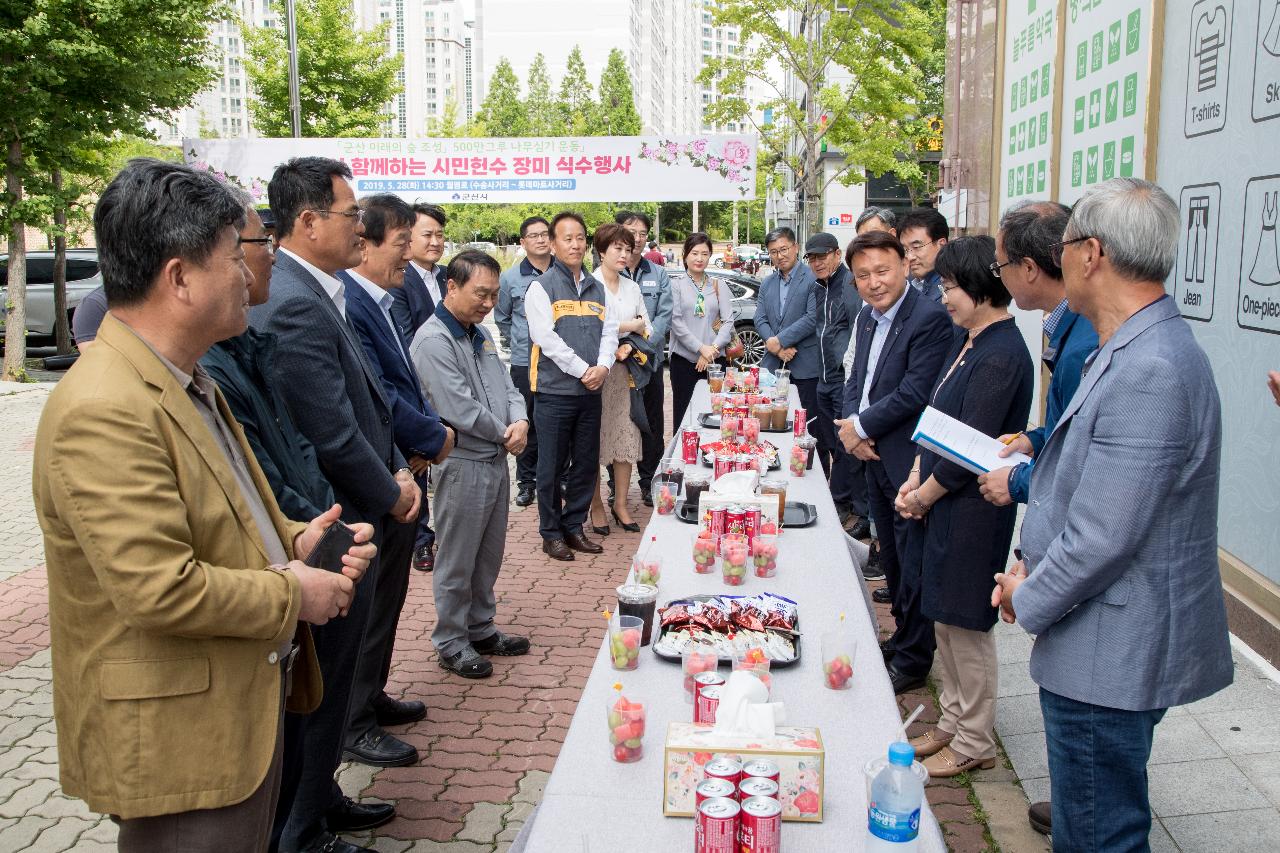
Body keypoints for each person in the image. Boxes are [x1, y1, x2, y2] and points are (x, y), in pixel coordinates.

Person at [34, 158, 375, 853]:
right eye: (233, 257)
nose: (251, 274)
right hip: (180, 742)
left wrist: (294, 538)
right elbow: (159, 588)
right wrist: (294, 593)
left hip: (230, 714)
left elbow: (224, 510)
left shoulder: (183, 377)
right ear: (179, 277)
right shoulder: (105, 406)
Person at [991, 179, 1233, 852]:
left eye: (1064, 247)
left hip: (1111, 650)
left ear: (1091, 253)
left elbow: (1104, 535)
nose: (1055, 260)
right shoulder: (1127, 345)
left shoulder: (1150, 364)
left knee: (1099, 835)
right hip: (1102, 639)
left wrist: (1028, 593)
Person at [252, 157, 422, 853]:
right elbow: (329, 428)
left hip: (360, 508)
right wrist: (390, 489)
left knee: (337, 675)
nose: (362, 226)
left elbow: (363, 402)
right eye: (352, 214)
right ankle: (302, 829)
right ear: (308, 221)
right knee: (318, 690)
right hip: (332, 522)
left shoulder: (317, 288)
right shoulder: (291, 297)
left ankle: (321, 796)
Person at [892, 237, 1032, 778]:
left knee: (967, 625)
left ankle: (975, 739)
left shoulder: (1001, 352)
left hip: (972, 508)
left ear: (979, 287)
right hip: (942, 501)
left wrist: (923, 493)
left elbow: (971, 444)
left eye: (950, 286)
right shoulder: (968, 340)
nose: (944, 296)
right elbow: (937, 423)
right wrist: (914, 477)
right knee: (944, 619)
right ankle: (951, 720)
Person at [339, 194, 454, 759]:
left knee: (388, 598)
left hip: (404, 469)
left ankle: (371, 692)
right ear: (366, 243)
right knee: (366, 604)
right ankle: (353, 719)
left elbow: (401, 383)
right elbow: (374, 396)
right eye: (403, 243)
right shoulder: (349, 304)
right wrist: (431, 437)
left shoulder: (383, 298)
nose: (411, 255)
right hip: (380, 476)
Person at [835, 230, 954, 695]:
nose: (874, 282)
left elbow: (915, 391)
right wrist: (850, 426)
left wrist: (860, 427)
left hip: (905, 457)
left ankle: (914, 658)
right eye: (863, 275)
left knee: (912, 560)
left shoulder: (928, 318)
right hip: (871, 453)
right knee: (892, 558)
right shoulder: (867, 317)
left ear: (904, 265)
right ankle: (902, 638)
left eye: (882, 271)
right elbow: (856, 377)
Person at [412, 250, 532, 678]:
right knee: (457, 560)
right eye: (481, 293)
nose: (488, 303)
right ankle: (450, 640)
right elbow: (457, 408)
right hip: (462, 463)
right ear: (452, 287)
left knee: (488, 555)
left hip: (495, 459)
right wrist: (506, 432)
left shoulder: (477, 334)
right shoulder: (432, 340)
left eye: (495, 295)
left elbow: (508, 385)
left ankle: (481, 628)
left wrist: (519, 418)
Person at [977, 202, 1098, 509]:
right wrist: (1036, 439)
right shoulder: (1076, 326)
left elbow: (1080, 464)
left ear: (1029, 268)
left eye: (999, 267)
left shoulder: (1082, 349)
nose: (999, 278)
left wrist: (1016, 481)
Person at [527, 211, 619, 561]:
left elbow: (610, 331)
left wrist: (604, 366)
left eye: (580, 237)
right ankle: (551, 533)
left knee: (585, 463)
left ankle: (573, 526)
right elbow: (544, 338)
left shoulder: (597, 286)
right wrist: (585, 369)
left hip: (590, 392)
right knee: (550, 466)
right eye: (567, 238)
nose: (576, 244)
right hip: (554, 392)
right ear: (552, 243)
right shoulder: (542, 286)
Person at [390, 202, 448, 571]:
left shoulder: (444, 277)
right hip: (418, 390)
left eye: (440, 234)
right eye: (427, 234)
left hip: (448, 385)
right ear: (408, 238)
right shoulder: (399, 281)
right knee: (418, 466)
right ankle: (421, 541)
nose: (435, 241)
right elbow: (407, 344)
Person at [589, 223, 652, 535]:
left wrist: (628, 335)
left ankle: (622, 503)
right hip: (594, 374)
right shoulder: (588, 285)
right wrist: (630, 326)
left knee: (626, 437)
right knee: (592, 441)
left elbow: (648, 327)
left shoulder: (633, 287)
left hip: (626, 374)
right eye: (617, 248)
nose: (624, 254)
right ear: (601, 251)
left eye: (628, 249)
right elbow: (590, 328)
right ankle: (596, 504)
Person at [804, 232, 867, 534]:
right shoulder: (819, 288)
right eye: (812, 257)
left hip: (845, 381)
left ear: (837, 254)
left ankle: (852, 507)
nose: (817, 262)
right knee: (831, 442)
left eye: (822, 255)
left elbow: (858, 334)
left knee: (849, 447)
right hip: (824, 379)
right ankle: (843, 500)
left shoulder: (850, 286)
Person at [496, 216, 553, 508]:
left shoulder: (566, 272)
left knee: (555, 423)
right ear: (523, 242)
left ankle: (558, 478)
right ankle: (526, 482)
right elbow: (502, 317)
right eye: (534, 236)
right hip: (523, 362)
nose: (541, 240)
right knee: (525, 422)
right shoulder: (509, 278)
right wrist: (519, 341)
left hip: (559, 362)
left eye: (545, 234)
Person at [617, 210, 672, 506]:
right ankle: (617, 486)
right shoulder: (609, 271)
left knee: (652, 423)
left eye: (642, 234)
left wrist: (644, 344)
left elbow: (664, 315)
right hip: (619, 363)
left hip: (648, 363)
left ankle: (651, 480)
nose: (636, 239)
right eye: (631, 232)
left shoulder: (658, 273)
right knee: (620, 422)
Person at [756, 227, 822, 466]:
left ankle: (813, 480)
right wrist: (775, 347)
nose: (779, 255)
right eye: (773, 252)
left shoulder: (813, 278)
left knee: (808, 429)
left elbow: (813, 317)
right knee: (773, 427)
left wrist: (780, 340)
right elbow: (760, 318)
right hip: (774, 367)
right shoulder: (767, 283)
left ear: (795, 247)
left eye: (783, 249)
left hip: (805, 366)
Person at [668, 232, 734, 428]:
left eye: (704, 254)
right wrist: (700, 349)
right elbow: (676, 323)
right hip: (684, 362)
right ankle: (684, 456)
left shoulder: (718, 285)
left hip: (715, 362)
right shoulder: (676, 285)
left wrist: (711, 350)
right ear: (685, 255)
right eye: (694, 253)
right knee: (684, 415)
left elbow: (728, 322)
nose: (699, 258)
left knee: (714, 413)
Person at [898, 208, 950, 302]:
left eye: (916, 247)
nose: (909, 257)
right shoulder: (903, 283)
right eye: (904, 249)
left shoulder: (949, 290)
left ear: (941, 245)